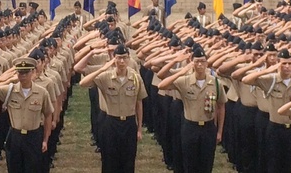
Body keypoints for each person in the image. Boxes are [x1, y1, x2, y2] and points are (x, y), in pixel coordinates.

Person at [79, 44, 147, 173]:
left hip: (129, 122)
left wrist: (139, 129)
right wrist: (102, 69)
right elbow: (83, 83)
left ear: (129, 59)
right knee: (110, 160)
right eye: (119, 58)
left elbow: (139, 103)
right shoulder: (106, 77)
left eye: (125, 58)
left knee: (128, 159)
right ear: (113, 59)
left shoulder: (135, 78)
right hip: (111, 123)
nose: (122, 61)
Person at [157, 46, 225, 173]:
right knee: (190, 163)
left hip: (208, 127)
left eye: (202, 61)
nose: (200, 65)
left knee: (206, 164)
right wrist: (181, 72)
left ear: (207, 63)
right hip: (190, 127)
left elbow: (221, 106)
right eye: (197, 61)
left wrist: (219, 131)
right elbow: (162, 84)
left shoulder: (215, 82)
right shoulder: (185, 81)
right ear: (192, 63)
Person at [0, 57, 54, 173]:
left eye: (26, 72)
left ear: (33, 72)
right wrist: (0, 79)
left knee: (33, 168)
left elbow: (48, 114)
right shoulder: (10, 90)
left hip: (33, 136)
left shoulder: (41, 92)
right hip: (15, 136)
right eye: (20, 72)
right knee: (14, 168)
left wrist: (45, 139)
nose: (22, 75)